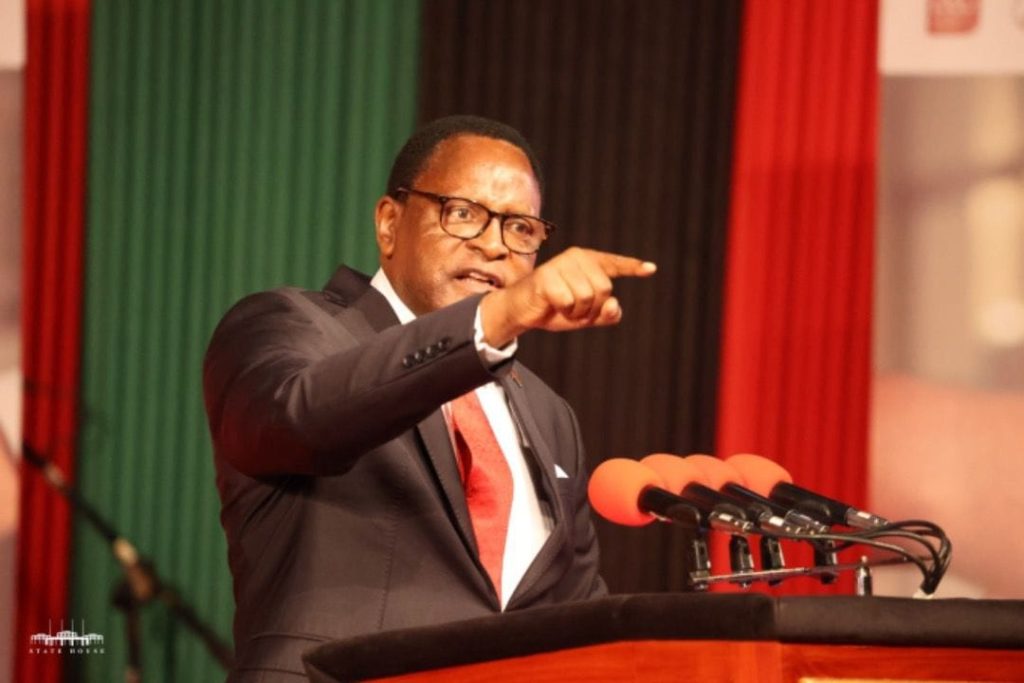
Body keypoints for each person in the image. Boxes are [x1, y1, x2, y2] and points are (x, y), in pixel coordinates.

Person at [203, 115, 656, 680]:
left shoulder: (549, 414)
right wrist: (493, 321)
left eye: (520, 228)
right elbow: (300, 419)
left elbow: (578, 613)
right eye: (463, 213)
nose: (494, 245)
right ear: (389, 223)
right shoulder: (289, 325)